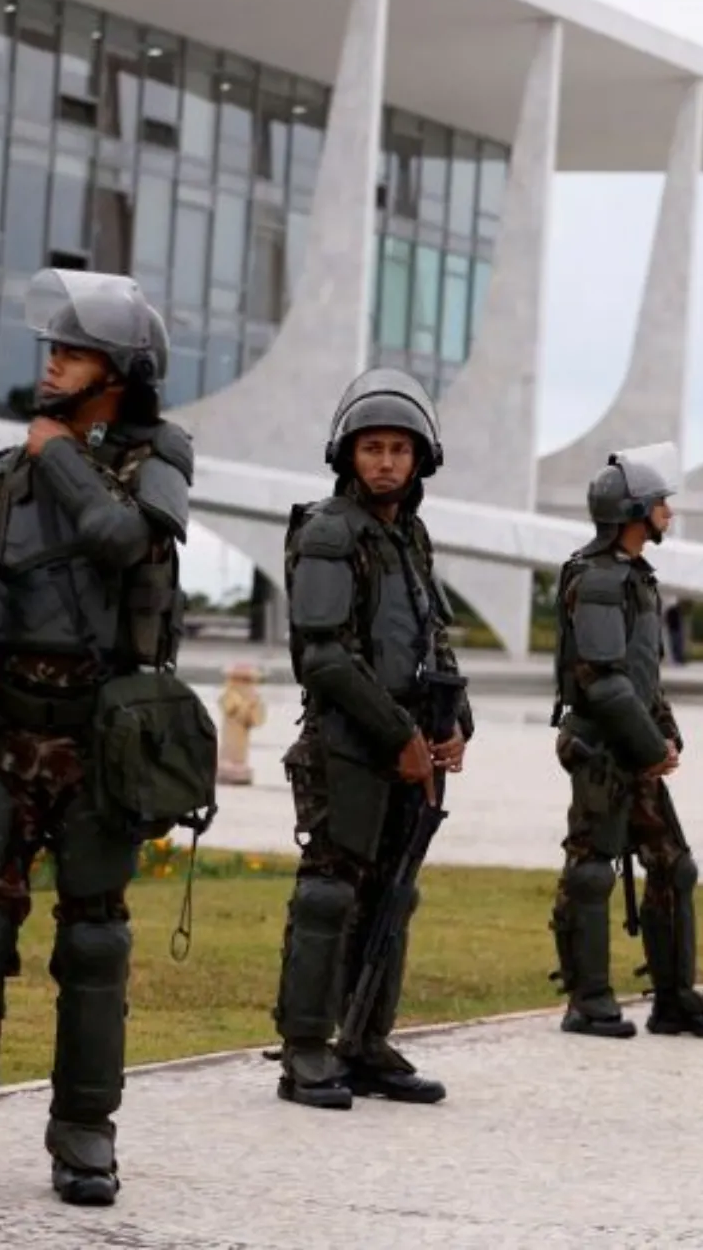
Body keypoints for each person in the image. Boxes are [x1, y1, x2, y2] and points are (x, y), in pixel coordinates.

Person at [0, 269, 193, 1208]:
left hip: (101, 740)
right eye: (54, 350)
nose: (53, 365)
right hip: (6, 732)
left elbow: (119, 540)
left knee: (97, 943)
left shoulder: (160, 460)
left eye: (70, 352)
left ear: (117, 372)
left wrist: (57, 455)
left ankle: (83, 1138)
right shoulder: (8, 472)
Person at [273, 369, 474, 1110]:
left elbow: (432, 637)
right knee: (329, 894)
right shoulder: (329, 531)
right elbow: (322, 655)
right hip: (346, 749)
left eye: (399, 449)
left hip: (409, 750)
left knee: (394, 892)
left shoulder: (409, 536)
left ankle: (364, 1041)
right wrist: (398, 736)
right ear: (347, 455)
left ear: (420, 459)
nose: (386, 462)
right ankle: (304, 1050)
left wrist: (453, 724)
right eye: (372, 449)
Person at [549, 443, 703, 1042]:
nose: (668, 514)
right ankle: (589, 1000)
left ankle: (674, 999)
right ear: (634, 509)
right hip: (603, 749)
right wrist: (649, 744)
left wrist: (664, 731)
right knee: (591, 871)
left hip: (633, 745)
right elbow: (602, 682)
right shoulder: (601, 578)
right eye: (661, 504)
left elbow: (639, 671)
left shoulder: (634, 577)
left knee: (673, 866)